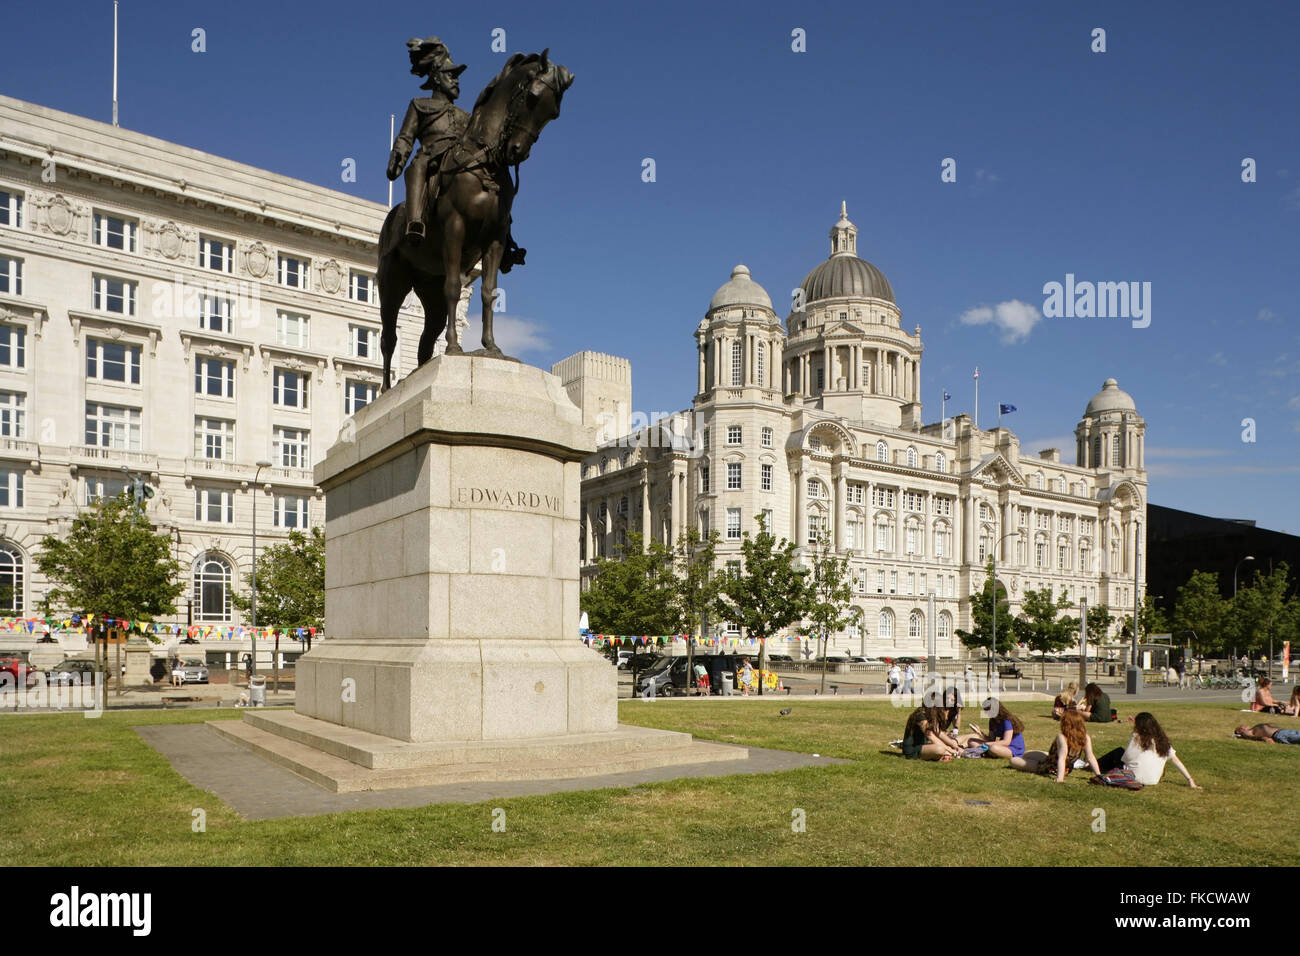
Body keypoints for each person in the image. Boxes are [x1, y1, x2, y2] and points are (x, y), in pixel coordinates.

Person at [1093, 712, 1200, 788]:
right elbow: (1176, 760)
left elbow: (1126, 758)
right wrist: (1190, 780)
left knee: (1118, 752)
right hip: (1153, 780)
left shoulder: (1137, 737)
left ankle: (1092, 765)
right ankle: (1093, 765)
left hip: (1134, 776)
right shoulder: (1163, 742)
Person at [1009, 710, 1102, 782]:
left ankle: (1040, 766)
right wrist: (1099, 775)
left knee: (1013, 760)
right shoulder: (1085, 737)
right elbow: (1091, 757)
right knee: (1027, 754)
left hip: (1050, 767)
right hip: (1064, 766)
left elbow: (1062, 758)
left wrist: (1060, 778)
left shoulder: (1062, 737)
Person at [958, 697, 1025, 760]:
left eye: (988, 710)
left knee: (993, 748)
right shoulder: (992, 721)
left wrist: (987, 744)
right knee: (971, 741)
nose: (986, 713)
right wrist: (980, 733)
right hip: (1001, 746)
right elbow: (990, 739)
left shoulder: (1006, 721)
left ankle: (980, 752)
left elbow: (1006, 742)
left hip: (1013, 749)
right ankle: (982, 752)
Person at [1234, 722, 1300, 744]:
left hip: (1285, 731)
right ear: (1240, 731)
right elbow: (1252, 737)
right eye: (1241, 727)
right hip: (1280, 735)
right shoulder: (1246, 733)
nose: (1243, 725)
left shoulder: (1252, 729)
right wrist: (1264, 738)